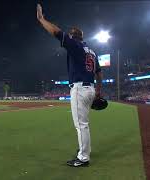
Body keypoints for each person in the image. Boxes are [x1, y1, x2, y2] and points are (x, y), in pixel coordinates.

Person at [37, 4, 102, 167]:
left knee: (81, 125)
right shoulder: (92, 52)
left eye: (71, 36)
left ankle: (83, 158)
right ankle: (84, 151)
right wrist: (98, 91)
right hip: (90, 88)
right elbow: (99, 73)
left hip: (80, 89)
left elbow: (57, 33)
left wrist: (41, 19)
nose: (69, 37)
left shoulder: (76, 46)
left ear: (74, 37)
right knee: (83, 124)